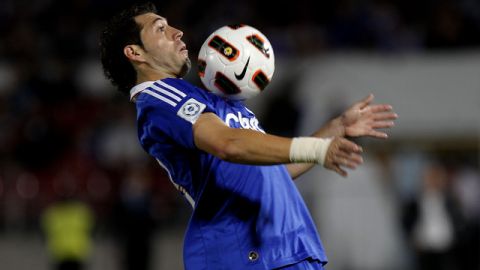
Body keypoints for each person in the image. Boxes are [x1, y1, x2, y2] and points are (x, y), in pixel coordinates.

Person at [99, 2, 397, 269]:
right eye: (161, 28)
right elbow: (227, 144)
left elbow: (272, 173)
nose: (177, 32)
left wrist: (335, 130)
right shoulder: (159, 98)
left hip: (281, 250)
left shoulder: (209, 99)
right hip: (244, 252)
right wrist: (316, 150)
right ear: (134, 52)